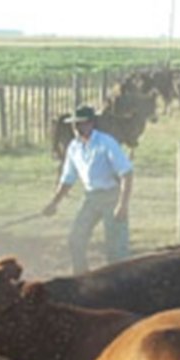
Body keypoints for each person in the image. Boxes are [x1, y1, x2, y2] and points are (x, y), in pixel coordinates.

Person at [41, 105, 134, 274]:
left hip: (111, 196)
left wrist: (123, 204)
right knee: (76, 238)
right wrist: (54, 203)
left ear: (91, 124)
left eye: (80, 123)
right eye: (74, 124)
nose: (76, 128)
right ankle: (81, 276)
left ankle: (121, 281)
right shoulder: (74, 147)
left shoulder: (106, 143)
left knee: (116, 247)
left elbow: (126, 173)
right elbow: (67, 179)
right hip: (91, 197)